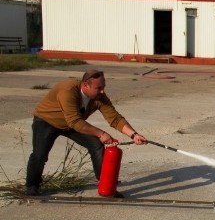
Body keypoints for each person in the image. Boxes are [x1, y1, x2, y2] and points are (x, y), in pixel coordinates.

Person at [25, 69, 147, 197]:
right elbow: (75, 122)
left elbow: (115, 118)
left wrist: (134, 135)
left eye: (103, 87)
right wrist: (101, 133)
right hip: (47, 121)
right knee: (40, 154)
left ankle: (106, 185)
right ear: (85, 85)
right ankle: (32, 186)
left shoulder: (99, 97)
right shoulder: (68, 91)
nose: (102, 91)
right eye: (98, 88)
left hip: (73, 123)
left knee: (96, 145)